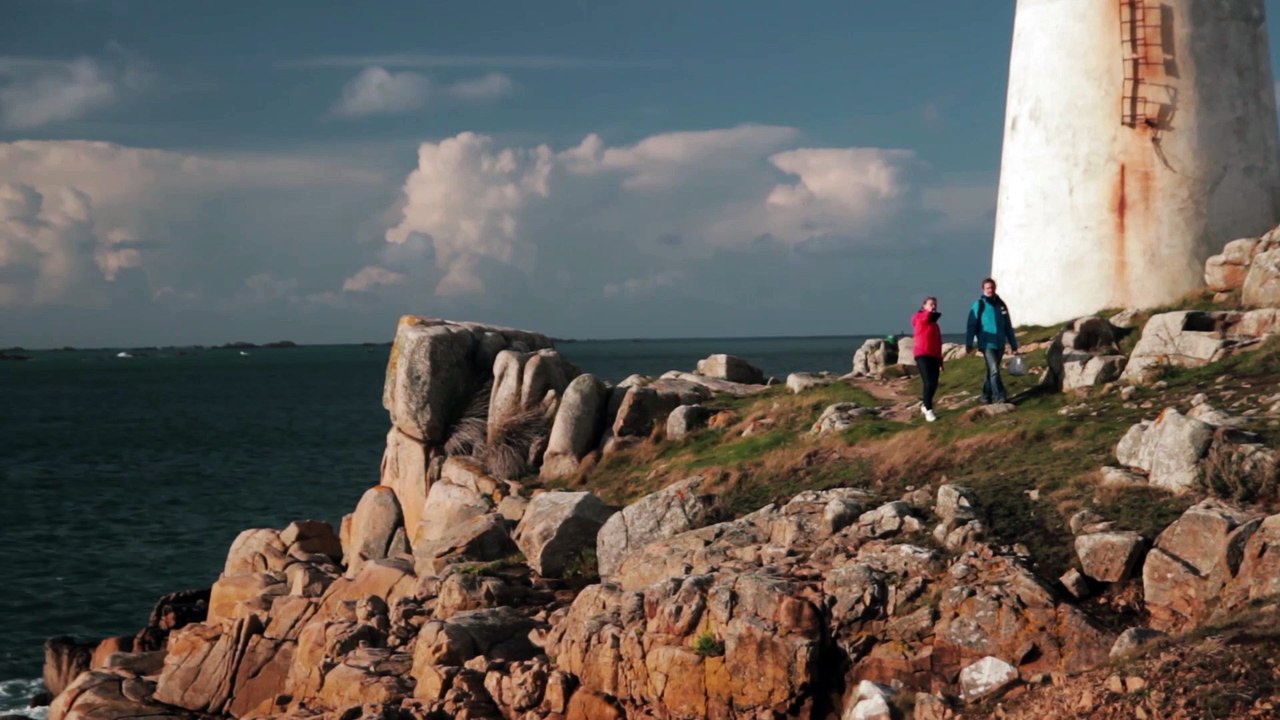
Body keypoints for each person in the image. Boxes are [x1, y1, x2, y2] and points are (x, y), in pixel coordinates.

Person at [965, 277, 1020, 404]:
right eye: (988, 288)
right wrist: (969, 343)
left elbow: (1007, 325)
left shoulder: (1001, 304)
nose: (990, 290)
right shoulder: (979, 304)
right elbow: (971, 325)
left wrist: (1013, 344)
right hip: (986, 343)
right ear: (983, 289)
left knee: (991, 370)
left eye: (992, 287)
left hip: (1000, 343)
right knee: (995, 369)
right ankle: (1000, 396)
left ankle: (985, 396)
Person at [911, 296, 944, 422]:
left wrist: (940, 359)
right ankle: (929, 410)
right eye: (931, 304)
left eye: (935, 304)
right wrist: (928, 313)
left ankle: (925, 405)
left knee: (934, 384)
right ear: (924, 306)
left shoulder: (935, 325)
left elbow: (938, 342)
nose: (934, 306)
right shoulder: (919, 317)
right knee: (928, 382)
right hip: (922, 354)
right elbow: (924, 318)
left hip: (934, 356)